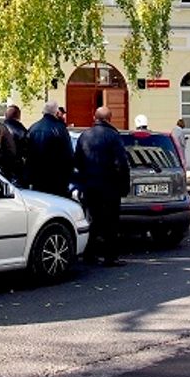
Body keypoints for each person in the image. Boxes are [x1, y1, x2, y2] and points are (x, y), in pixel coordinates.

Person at [73, 106, 130, 267]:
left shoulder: (84, 135)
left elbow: (77, 161)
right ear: (109, 119)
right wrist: (124, 185)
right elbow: (121, 163)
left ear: (94, 117)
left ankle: (89, 254)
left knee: (93, 220)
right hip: (110, 186)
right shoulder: (113, 136)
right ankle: (110, 257)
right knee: (111, 222)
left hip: (90, 185)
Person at [25, 100, 73, 198]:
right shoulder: (60, 129)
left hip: (37, 178)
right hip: (56, 179)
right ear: (56, 112)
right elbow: (68, 155)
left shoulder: (33, 128)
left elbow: (26, 153)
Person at [2, 105, 28, 185]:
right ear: (18, 116)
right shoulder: (23, 131)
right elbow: (27, 151)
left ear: (5, 115)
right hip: (17, 168)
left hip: (1, 168)